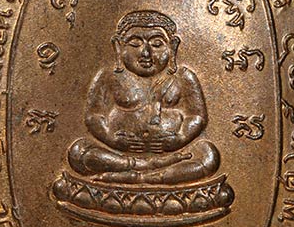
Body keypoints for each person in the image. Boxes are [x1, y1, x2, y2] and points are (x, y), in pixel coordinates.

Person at [67, 10, 222, 185]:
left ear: (172, 46)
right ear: (118, 46)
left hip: (175, 156)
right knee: (79, 151)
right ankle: (140, 167)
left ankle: (147, 177)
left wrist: (180, 138)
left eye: (157, 44)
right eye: (135, 44)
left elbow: (196, 116)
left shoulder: (184, 77)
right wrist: (111, 138)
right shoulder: (109, 77)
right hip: (118, 156)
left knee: (208, 154)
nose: (146, 53)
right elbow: (94, 115)